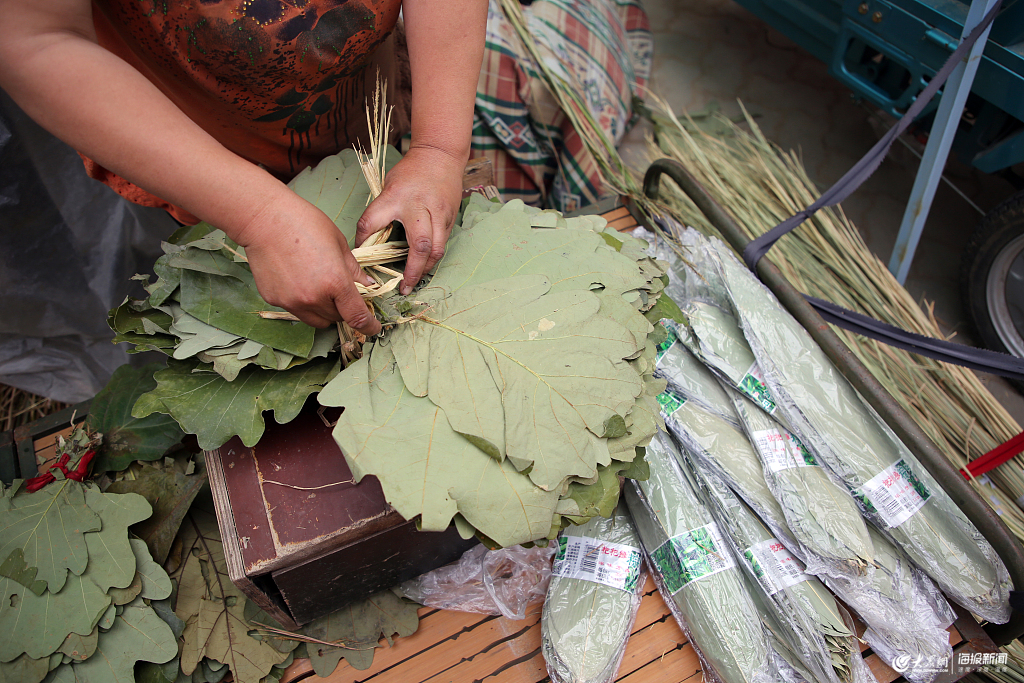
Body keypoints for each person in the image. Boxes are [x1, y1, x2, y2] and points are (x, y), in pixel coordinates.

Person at [0, 0, 487, 338]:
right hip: (195, 161)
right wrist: (257, 215)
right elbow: (35, 40)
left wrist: (438, 148)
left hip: (365, 114)